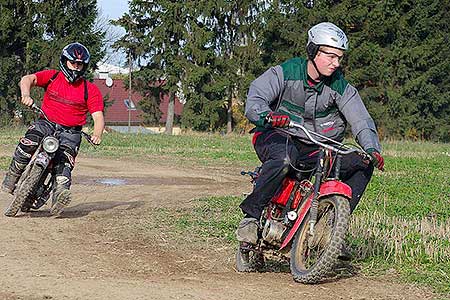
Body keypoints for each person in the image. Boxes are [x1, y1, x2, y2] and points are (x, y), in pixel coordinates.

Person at [236, 22, 384, 246]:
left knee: (362, 164)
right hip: (276, 135)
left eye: (340, 58)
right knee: (285, 159)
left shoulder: (341, 87)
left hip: (317, 147)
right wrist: (266, 115)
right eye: (331, 56)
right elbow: (257, 96)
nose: (336, 63)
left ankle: (331, 230)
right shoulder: (286, 72)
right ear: (313, 50)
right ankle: (251, 217)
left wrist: (372, 148)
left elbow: (361, 119)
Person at [1, 42, 105, 215]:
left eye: (80, 64)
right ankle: (12, 177)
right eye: (73, 63)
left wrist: (97, 133)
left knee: (63, 169)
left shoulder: (90, 90)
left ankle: (59, 198)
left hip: (71, 132)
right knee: (28, 142)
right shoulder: (52, 77)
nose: (76, 67)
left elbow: (98, 116)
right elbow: (27, 79)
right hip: (46, 123)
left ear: (84, 66)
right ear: (65, 62)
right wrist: (26, 95)